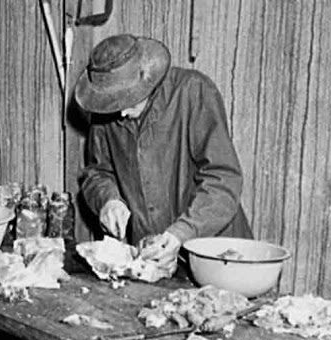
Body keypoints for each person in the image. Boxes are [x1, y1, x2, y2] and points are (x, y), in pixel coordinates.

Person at [75, 34, 252, 277]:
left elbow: (223, 179)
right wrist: (109, 200)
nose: (122, 111)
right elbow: (97, 172)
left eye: (129, 100)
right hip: (153, 260)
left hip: (216, 257)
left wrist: (181, 232)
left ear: (148, 80)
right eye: (115, 104)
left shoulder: (194, 92)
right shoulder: (107, 108)